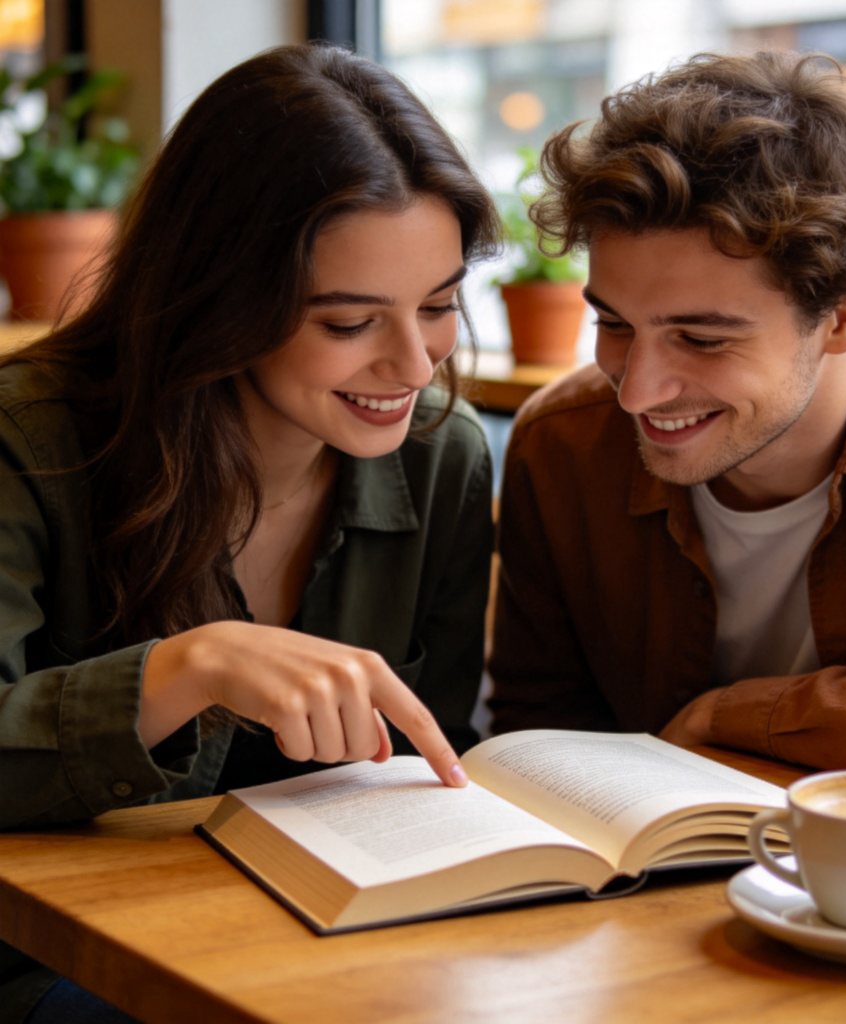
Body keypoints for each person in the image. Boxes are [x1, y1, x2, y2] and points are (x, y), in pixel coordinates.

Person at [1, 42, 499, 1021]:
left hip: (307, 949)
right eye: (351, 322)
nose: (412, 362)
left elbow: (424, 766)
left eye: (438, 305)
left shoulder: (443, 457)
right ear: (223, 299)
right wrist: (184, 669)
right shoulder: (28, 441)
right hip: (52, 957)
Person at [488, 50, 846, 805]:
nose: (638, 391)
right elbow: (537, 742)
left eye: (702, 339)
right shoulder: (563, 446)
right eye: (613, 323)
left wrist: (733, 716)